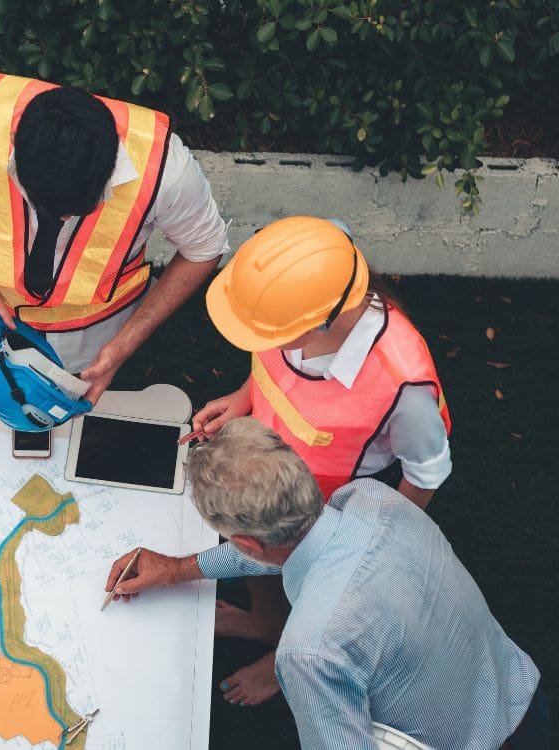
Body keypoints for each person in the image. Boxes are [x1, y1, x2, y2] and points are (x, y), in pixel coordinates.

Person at [105, 418, 549, 750]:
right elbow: (302, 544)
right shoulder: (372, 499)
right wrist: (179, 569)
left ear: (245, 543)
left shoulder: (309, 651)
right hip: (519, 693)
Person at [191, 216, 453, 705]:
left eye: (266, 333)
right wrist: (243, 397)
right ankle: (266, 622)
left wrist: (365, 546)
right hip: (264, 477)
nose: (258, 341)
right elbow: (272, 365)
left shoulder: (404, 384)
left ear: (316, 326)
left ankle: (280, 661)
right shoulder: (309, 268)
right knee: (249, 545)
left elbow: (428, 472)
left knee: (320, 594)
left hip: (328, 513)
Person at [0, 72, 228, 404]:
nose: (58, 219)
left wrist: (124, 345)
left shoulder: (167, 169)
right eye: (43, 205)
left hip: (96, 344)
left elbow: (204, 249)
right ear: (15, 144)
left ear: (113, 161)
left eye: (78, 209)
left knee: (82, 441)